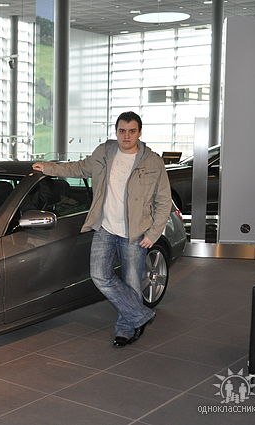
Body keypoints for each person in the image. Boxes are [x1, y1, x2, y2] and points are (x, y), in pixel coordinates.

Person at [32, 111, 172, 347]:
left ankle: (126, 328)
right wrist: (48, 168)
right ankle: (140, 315)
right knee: (99, 275)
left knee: (132, 283)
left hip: (135, 232)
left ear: (139, 132)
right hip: (105, 227)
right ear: (116, 131)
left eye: (132, 131)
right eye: (122, 131)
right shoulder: (104, 152)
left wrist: (153, 233)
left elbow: (164, 201)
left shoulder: (153, 162)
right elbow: (78, 168)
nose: (126, 136)